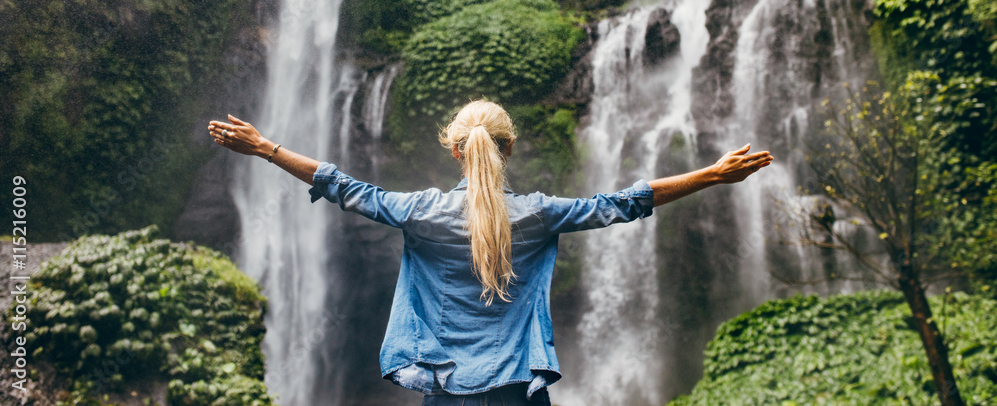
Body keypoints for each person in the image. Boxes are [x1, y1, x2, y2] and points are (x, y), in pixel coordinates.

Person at [208, 99, 772, 405]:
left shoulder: (420, 212)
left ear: (455, 151)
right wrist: (713, 175)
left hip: (447, 390)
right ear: (509, 148)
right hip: (516, 394)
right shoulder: (539, 213)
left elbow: (344, 185)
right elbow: (623, 203)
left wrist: (266, 148)